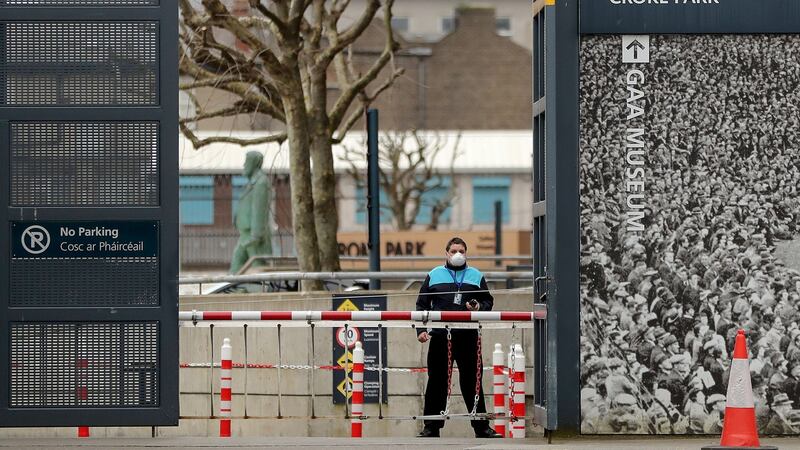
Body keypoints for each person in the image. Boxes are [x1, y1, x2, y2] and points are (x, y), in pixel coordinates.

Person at [415, 237, 500, 438]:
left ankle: (481, 427)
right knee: (437, 381)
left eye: (461, 250)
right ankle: (431, 426)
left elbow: (488, 301)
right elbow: (421, 305)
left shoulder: (476, 275)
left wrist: (478, 307)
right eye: (453, 251)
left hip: (468, 337)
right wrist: (420, 330)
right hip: (440, 336)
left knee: (473, 382)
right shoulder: (434, 275)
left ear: (466, 252)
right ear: (446, 253)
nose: (457, 254)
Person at [229, 151, 273, 274]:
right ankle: (235, 290)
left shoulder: (261, 183)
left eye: (246, 161)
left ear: (254, 163)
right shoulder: (253, 183)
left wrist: (256, 235)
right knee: (237, 267)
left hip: (253, 236)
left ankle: (260, 291)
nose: (244, 165)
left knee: (257, 268)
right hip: (246, 235)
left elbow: (259, 210)